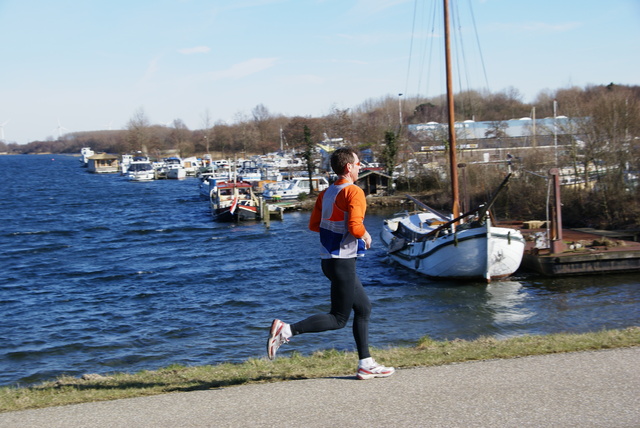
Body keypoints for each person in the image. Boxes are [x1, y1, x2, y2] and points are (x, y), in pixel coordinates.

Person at [267, 147, 394, 380]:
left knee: (364, 308)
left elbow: (314, 225)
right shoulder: (354, 192)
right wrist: (366, 235)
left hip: (330, 261)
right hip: (342, 261)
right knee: (338, 319)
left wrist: (337, 227)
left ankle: (365, 363)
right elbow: (355, 227)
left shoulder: (326, 194)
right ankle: (286, 330)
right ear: (348, 167)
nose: (360, 167)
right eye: (358, 164)